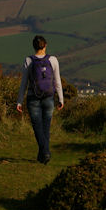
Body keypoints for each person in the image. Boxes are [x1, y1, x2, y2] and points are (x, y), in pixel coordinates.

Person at [16, 35, 64, 164]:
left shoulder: (28, 60)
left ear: (33, 46)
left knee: (37, 127)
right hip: (49, 97)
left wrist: (19, 101)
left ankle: (45, 153)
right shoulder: (53, 60)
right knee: (45, 127)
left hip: (33, 97)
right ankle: (43, 155)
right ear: (45, 45)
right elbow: (57, 81)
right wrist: (61, 99)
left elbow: (24, 83)